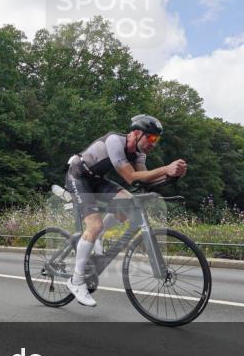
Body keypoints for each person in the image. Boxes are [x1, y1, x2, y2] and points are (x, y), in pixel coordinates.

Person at [63, 114, 188, 307]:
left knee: (128, 205)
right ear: (137, 133)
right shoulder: (115, 141)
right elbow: (131, 177)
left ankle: (98, 235)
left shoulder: (139, 153)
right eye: (152, 137)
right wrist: (165, 168)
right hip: (79, 176)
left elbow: (143, 179)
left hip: (97, 179)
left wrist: (172, 177)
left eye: (157, 139)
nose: (153, 143)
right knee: (94, 225)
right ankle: (76, 281)